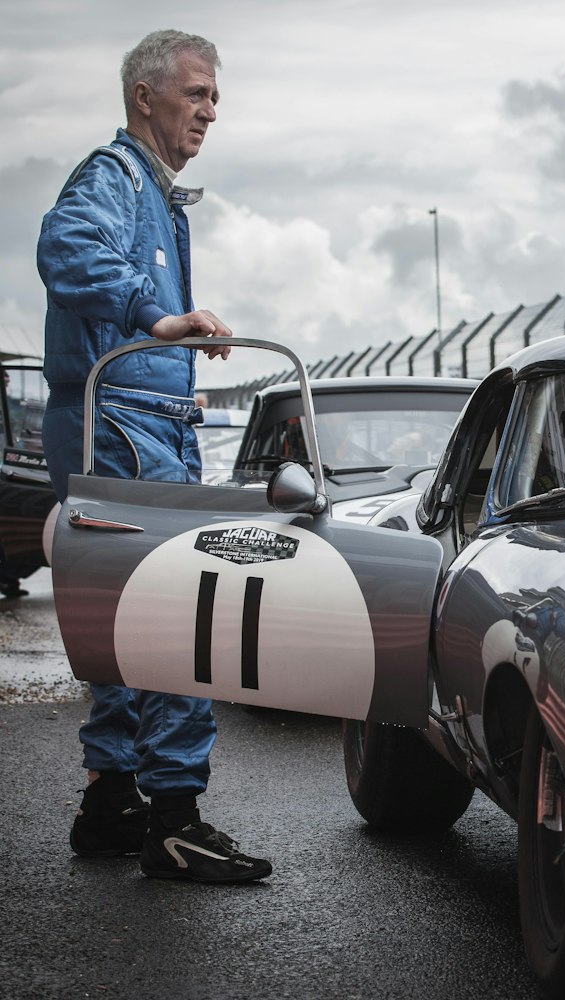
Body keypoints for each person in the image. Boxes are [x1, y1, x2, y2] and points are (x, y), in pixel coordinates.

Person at [37, 30, 270, 883]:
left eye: (216, 98)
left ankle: (111, 801)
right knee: (184, 614)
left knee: (125, 617)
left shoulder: (157, 196)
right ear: (146, 95)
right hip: (127, 423)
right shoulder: (115, 177)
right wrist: (156, 315)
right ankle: (176, 816)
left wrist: (172, 358)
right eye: (197, 93)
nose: (211, 111)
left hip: (140, 417)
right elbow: (64, 245)